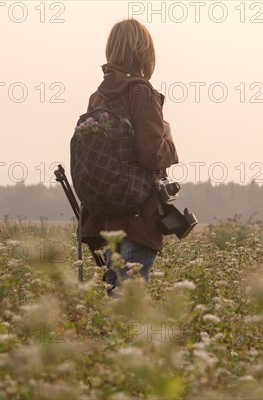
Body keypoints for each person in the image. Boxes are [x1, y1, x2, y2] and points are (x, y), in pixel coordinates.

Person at [80, 19, 179, 283]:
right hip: (138, 217)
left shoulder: (98, 97)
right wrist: (170, 143)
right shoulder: (142, 93)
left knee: (116, 297)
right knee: (130, 305)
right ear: (145, 51)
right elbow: (152, 155)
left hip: (106, 218)